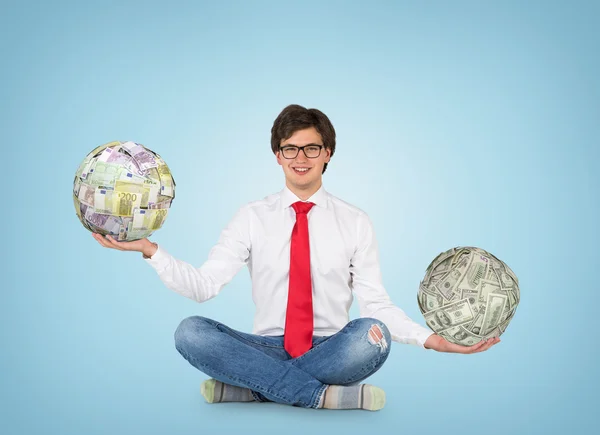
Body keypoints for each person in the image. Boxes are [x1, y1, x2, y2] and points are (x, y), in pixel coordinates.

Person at [92, 104, 500, 411]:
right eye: (290, 149)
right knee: (190, 332)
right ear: (277, 155)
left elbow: (376, 303)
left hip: (334, 348)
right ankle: (321, 397)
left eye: (311, 148)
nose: (300, 158)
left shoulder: (356, 221)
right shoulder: (251, 216)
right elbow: (204, 287)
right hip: (263, 347)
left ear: (328, 153)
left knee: (372, 335)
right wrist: (150, 251)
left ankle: (252, 389)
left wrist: (434, 342)